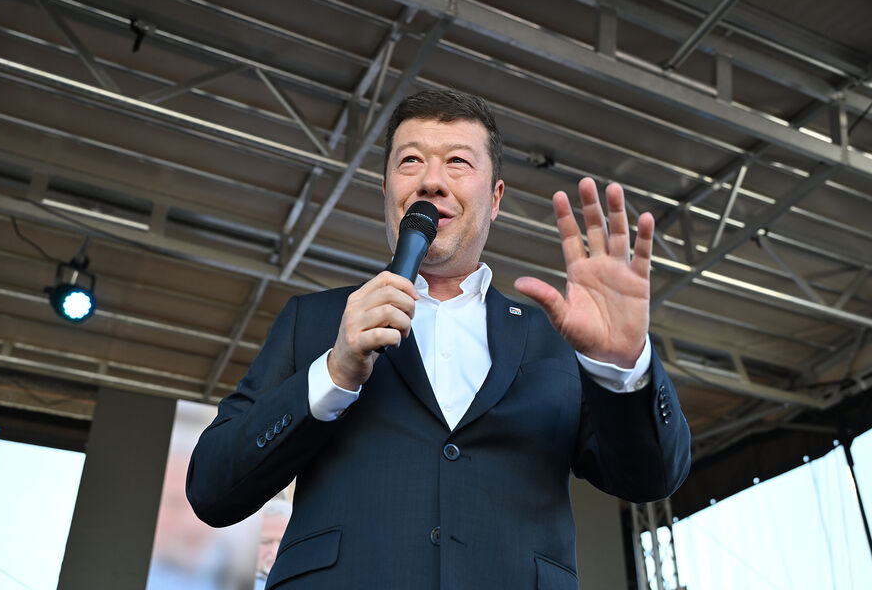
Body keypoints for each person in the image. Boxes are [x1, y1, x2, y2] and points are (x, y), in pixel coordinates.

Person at [186, 89, 691, 589]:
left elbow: (651, 478)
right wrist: (334, 373)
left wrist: (624, 365)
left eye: (457, 162)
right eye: (410, 161)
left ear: (495, 199)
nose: (431, 180)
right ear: (386, 189)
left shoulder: (558, 341)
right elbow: (212, 488)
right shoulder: (314, 322)